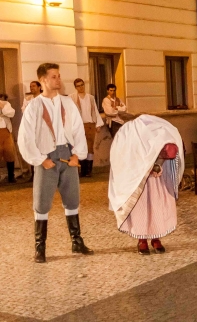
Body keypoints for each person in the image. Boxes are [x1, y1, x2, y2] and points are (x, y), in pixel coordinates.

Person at [17, 63, 93, 263]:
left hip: (67, 155)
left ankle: (77, 241)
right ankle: (40, 248)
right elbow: (25, 137)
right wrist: (40, 159)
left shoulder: (68, 103)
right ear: (43, 80)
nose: (58, 80)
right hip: (46, 157)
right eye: (54, 76)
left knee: (72, 199)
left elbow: (78, 130)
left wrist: (77, 154)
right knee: (41, 203)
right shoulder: (33, 107)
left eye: (59, 76)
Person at [108, 115, 184, 255]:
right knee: (140, 210)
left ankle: (156, 237)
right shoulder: (130, 137)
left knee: (157, 207)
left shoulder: (158, 137)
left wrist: (158, 166)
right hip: (138, 182)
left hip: (156, 181)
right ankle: (142, 240)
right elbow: (125, 157)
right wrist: (142, 169)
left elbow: (166, 152)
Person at [70, 79, 104, 178]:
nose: (81, 87)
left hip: (90, 124)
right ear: (75, 87)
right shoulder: (72, 97)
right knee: (79, 147)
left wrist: (98, 124)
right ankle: (82, 170)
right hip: (78, 125)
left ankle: (88, 171)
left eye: (82, 85)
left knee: (89, 147)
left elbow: (95, 111)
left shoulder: (90, 97)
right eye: (78, 86)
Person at [0, 94, 17, 183]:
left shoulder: (5, 104)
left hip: (5, 131)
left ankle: (11, 176)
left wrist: (2, 106)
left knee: (9, 153)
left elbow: (11, 113)